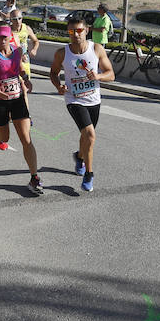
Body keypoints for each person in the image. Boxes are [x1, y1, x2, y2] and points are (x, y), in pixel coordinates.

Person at [49, 17, 115, 192]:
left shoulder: (96, 49)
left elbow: (111, 74)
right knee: (90, 135)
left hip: (94, 99)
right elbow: (53, 73)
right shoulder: (62, 53)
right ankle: (89, 174)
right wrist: (58, 86)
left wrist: (98, 76)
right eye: (71, 31)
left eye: (79, 30)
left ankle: (79, 157)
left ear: (86, 30)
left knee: (86, 137)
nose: (75, 35)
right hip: (74, 99)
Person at [0, 26, 43, 195]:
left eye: (5, 37)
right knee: (4, 138)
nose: (2, 41)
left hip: (17, 98)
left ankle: (34, 178)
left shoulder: (17, 51)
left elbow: (20, 69)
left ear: (10, 37)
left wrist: (26, 79)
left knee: (26, 138)